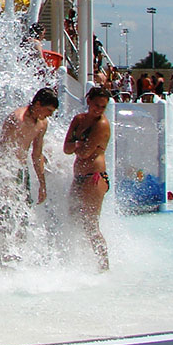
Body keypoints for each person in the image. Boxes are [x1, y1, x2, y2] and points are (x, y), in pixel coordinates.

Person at [64, 86, 112, 271]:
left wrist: (76, 144)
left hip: (95, 177)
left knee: (91, 224)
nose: (99, 110)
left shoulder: (102, 124)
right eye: (96, 105)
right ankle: (80, 260)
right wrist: (77, 145)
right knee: (73, 216)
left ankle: (104, 266)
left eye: (103, 107)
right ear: (89, 101)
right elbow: (66, 149)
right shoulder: (79, 120)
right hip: (80, 177)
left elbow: (84, 153)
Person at [0, 87, 59, 206]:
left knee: (25, 208)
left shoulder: (42, 124)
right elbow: (3, 148)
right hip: (6, 169)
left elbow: (37, 155)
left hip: (22, 169)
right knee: (6, 207)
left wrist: (42, 184)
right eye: (48, 110)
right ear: (38, 104)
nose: (50, 115)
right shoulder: (16, 119)